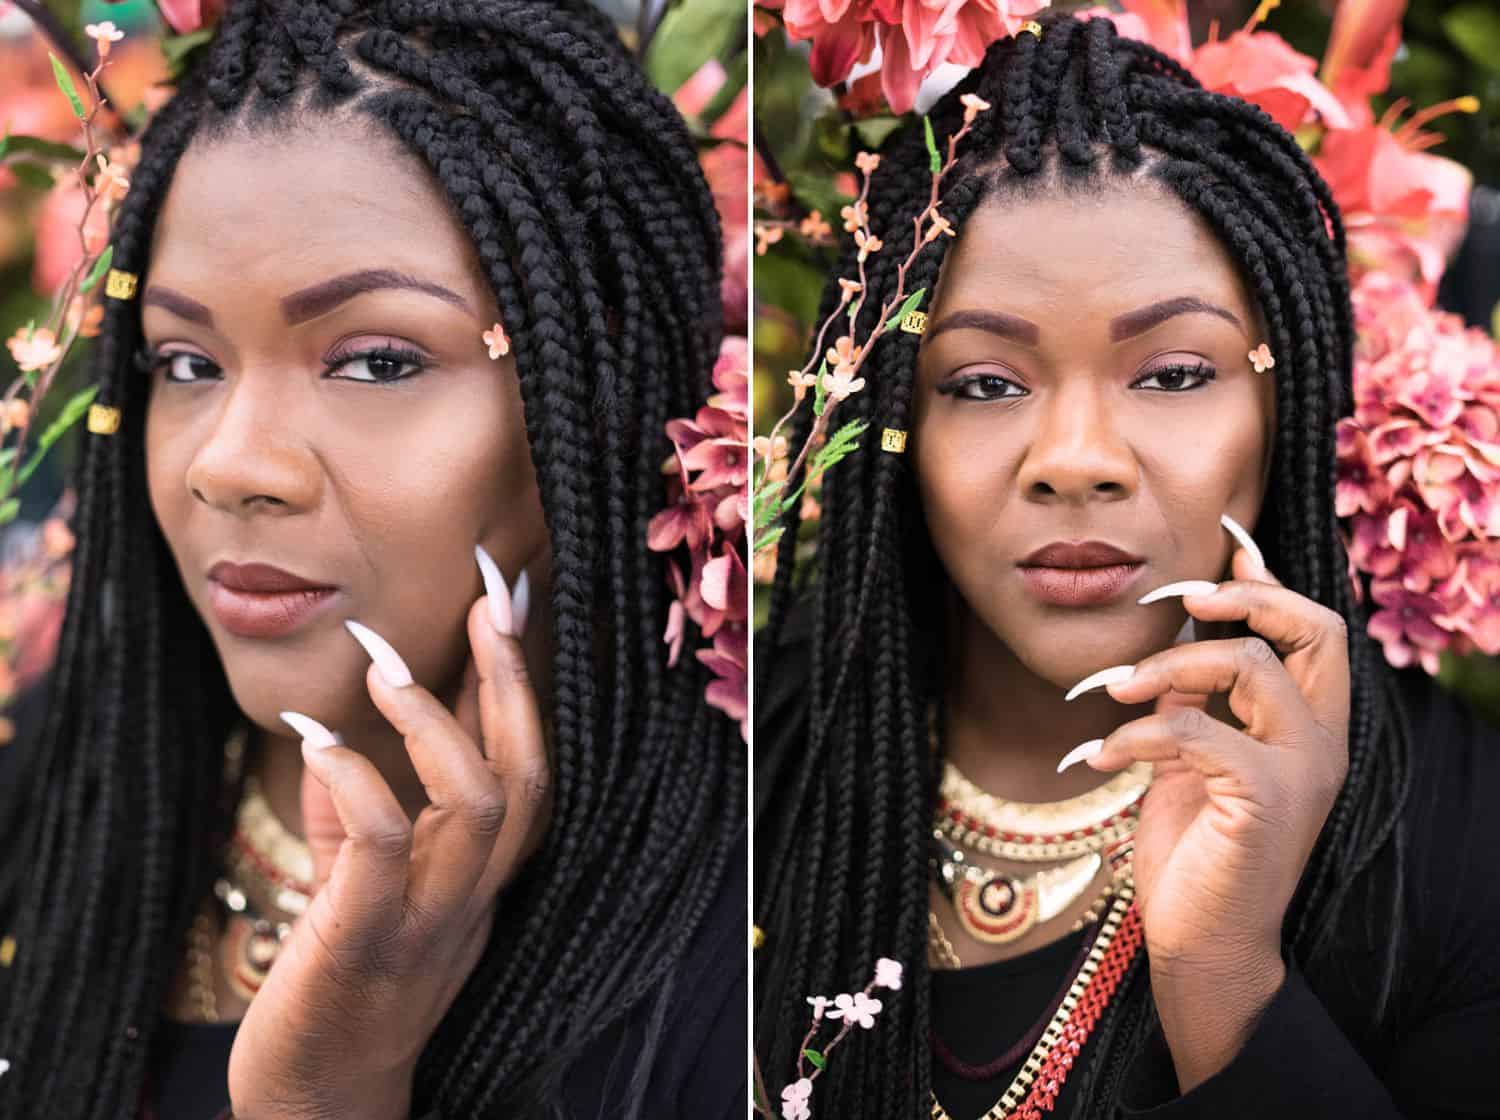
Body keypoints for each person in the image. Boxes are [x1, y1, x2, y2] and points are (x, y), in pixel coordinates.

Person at [0, 2, 746, 1118]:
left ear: (590, 406)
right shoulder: (45, 801)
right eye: (186, 362)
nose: (230, 465)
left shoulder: (742, 963)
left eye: (378, 361)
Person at [753, 13, 1500, 1119]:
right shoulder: (750, 768)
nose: (1077, 464)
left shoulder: (1464, 849)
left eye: (1174, 373)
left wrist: (1224, 980)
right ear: (892, 416)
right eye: (985, 384)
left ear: (1284, 398)